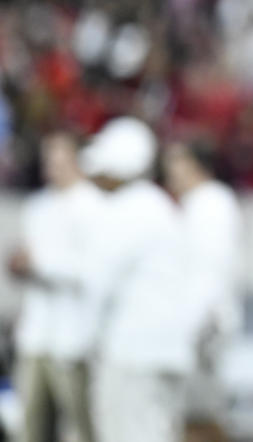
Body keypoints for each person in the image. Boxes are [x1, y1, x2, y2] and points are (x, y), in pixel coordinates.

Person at [81, 117, 199, 442]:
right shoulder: (160, 206)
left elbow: (97, 283)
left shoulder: (125, 210)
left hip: (131, 351)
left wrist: (86, 340)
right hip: (167, 350)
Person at [8, 132, 102, 442]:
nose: (52, 166)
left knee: (79, 424)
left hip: (73, 335)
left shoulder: (94, 205)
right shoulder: (37, 206)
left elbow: (91, 268)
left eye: (59, 158)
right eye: (48, 158)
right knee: (31, 425)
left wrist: (40, 265)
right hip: (36, 332)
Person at [162, 139, 243, 439]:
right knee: (186, 415)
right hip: (191, 324)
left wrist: (189, 327)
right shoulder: (193, 204)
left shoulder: (213, 203)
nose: (168, 169)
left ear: (196, 165)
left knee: (201, 415)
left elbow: (210, 272)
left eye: (176, 161)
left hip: (203, 327)